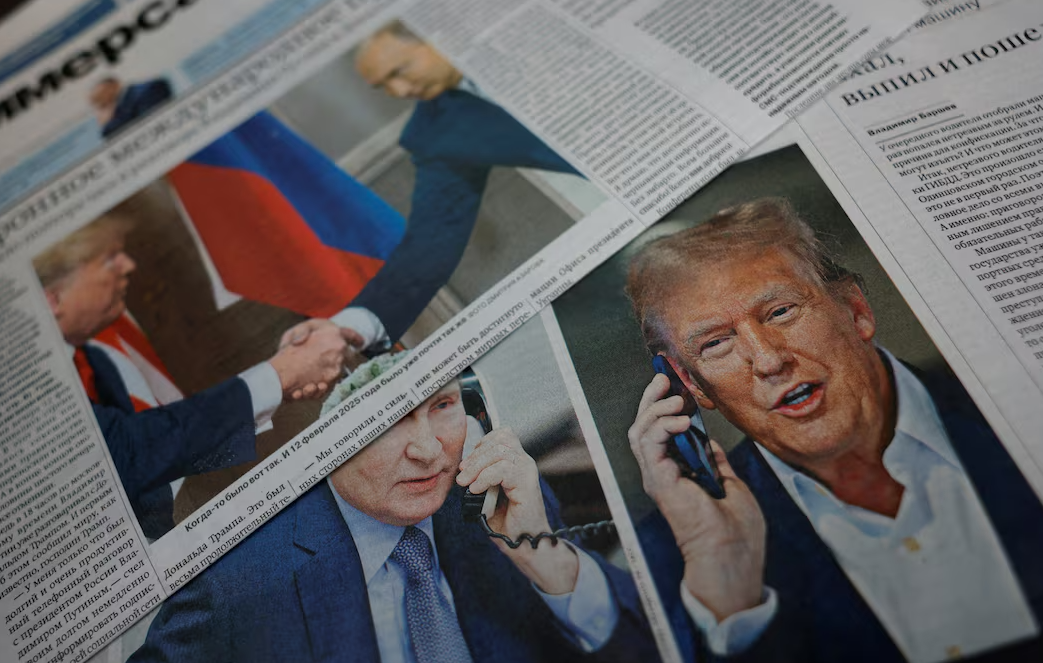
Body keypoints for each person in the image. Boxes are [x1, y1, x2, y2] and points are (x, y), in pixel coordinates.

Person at [625, 198, 1043, 663]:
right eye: (717, 343)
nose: (768, 360)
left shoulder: (1018, 397)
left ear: (855, 309)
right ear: (692, 387)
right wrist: (733, 594)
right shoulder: (673, 553)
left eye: (780, 311)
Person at [130, 369, 656, 663]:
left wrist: (546, 559)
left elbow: (645, 647)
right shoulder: (236, 580)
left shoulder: (504, 499)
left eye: (442, 406)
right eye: (387, 422)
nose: (430, 452)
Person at [34, 214, 360, 539]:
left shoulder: (95, 361)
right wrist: (280, 375)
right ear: (52, 299)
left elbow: (156, 465)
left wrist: (282, 387)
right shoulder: (33, 396)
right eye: (108, 259)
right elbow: (129, 452)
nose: (128, 265)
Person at [348, 21, 581, 341]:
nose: (399, 92)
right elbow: (431, 242)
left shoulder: (524, 32)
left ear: (434, 34)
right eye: (383, 85)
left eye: (398, 71)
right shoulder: (433, 134)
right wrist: (354, 326)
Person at [89, 76, 173, 138]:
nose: (100, 104)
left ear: (113, 85)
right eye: (96, 102)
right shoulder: (120, 111)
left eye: (99, 99)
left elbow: (146, 127)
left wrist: (108, 124)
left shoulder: (149, 89)